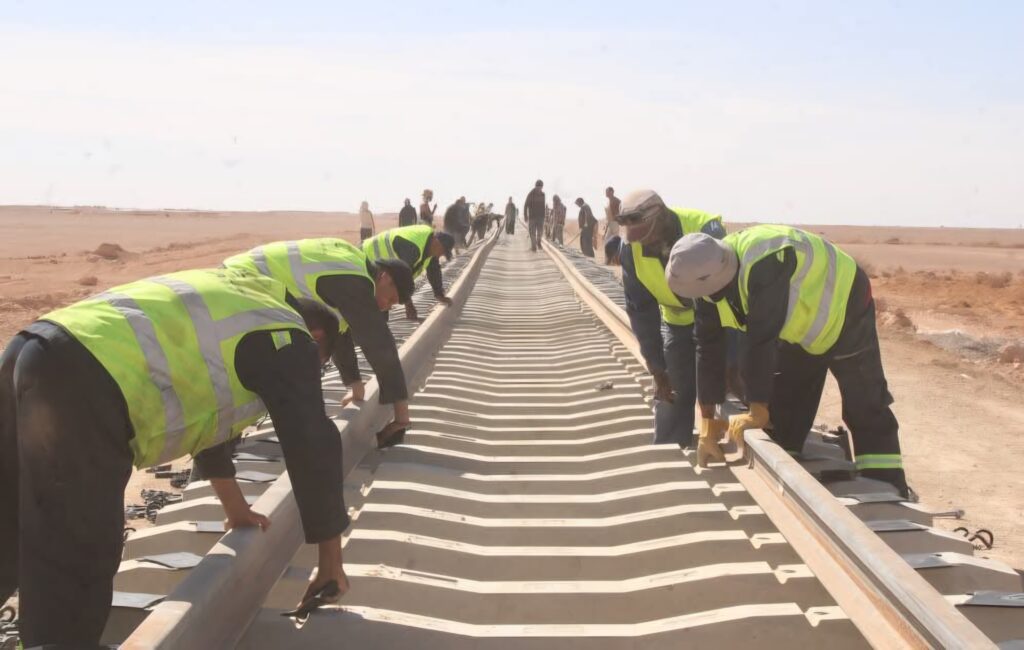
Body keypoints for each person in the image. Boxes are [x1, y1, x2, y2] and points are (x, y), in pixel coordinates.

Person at [0, 268, 358, 648]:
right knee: (75, 558)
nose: (314, 373)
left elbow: (208, 415)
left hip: (31, 347)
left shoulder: (246, 302)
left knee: (7, 520)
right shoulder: (288, 336)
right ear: (317, 337)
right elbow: (312, 443)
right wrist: (330, 562)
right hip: (85, 379)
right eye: (320, 365)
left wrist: (235, 510)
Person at [667, 225, 909, 496]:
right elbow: (708, 349)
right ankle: (786, 472)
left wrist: (757, 408)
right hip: (800, 326)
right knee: (786, 405)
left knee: (864, 401)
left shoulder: (764, 263)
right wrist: (708, 423)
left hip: (844, 304)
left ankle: (886, 485)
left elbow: (761, 339)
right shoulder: (706, 282)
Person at [224, 238, 414, 448]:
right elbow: (379, 344)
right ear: (385, 277)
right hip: (244, 285)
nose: (385, 307)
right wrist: (401, 416)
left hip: (245, 282)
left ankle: (223, 445)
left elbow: (339, 330)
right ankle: (218, 450)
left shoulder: (353, 268)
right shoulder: (356, 282)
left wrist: (355, 385)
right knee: (249, 373)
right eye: (390, 299)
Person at [616, 189, 727, 447]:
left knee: (736, 377)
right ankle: (671, 448)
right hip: (678, 322)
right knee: (672, 388)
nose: (645, 243)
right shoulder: (631, 248)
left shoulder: (704, 231)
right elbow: (641, 311)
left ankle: (758, 438)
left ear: (662, 219)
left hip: (722, 319)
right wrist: (657, 368)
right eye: (637, 239)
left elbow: (722, 291)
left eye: (648, 235)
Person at [363, 224, 456, 319]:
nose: (441, 255)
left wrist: (439, 294)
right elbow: (401, 279)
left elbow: (434, 271)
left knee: (381, 310)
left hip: (379, 272)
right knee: (375, 305)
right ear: (437, 242)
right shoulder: (413, 249)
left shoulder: (430, 248)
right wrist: (409, 306)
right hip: (365, 261)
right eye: (443, 251)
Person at [524, 180, 546, 252]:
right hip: (532, 217)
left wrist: (544, 216)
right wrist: (525, 216)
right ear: (536, 186)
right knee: (532, 232)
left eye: (541, 187)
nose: (540, 189)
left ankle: (538, 242)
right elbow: (526, 205)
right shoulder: (531, 194)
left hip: (540, 217)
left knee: (540, 232)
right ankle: (534, 247)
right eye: (538, 187)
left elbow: (543, 206)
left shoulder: (543, 195)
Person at [604, 187, 621, 263]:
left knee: (614, 243)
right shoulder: (608, 202)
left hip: (615, 224)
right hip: (610, 223)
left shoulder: (617, 201)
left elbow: (620, 212)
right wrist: (607, 224)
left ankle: (615, 261)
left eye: (607, 192)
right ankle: (609, 260)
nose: (606, 193)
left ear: (612, 192)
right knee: (607, 241)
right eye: (606, 192)